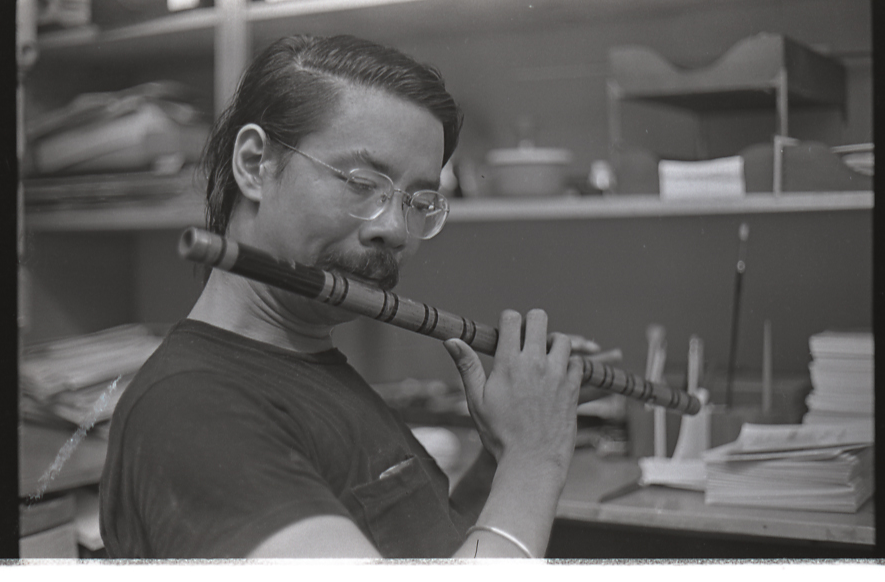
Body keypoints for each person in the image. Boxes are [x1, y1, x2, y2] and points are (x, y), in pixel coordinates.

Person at [99, 34, 597, 559]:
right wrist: (534, 461)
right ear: (253, 164)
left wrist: (508, 448)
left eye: (418, 201)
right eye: (362, 182)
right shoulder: (192, 411)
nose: (396, 229)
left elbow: (435, 551)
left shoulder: (311, 365)